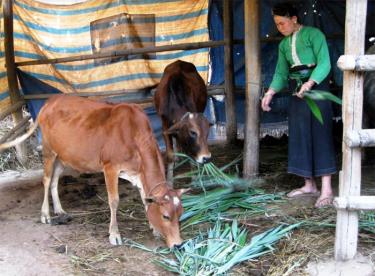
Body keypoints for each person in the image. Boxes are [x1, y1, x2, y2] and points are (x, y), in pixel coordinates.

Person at [261, 3, 336, 208]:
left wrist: (311, 83)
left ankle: (327, 188)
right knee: (300, 135)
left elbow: (325, 63)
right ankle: (309, 185)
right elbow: (280, 73)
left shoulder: (314, 35)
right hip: (297, 92)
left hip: (317, 89)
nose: (280, 28)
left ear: (294, 19)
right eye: (277, 24)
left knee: (320, 134)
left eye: (282, 23)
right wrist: (270, 93)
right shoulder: (283, 45)